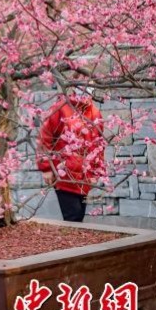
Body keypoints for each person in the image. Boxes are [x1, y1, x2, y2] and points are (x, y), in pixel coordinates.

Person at [37, 91, 104, 222]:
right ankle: (74, 242)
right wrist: (46, 168)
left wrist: (97, 169)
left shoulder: (94, 112)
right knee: (73, 217)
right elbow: (45, 137)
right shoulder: (60, 108)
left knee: (79, 216)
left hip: (84, 176)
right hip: (64, 174)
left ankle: (77, 242)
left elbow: (98, 144)